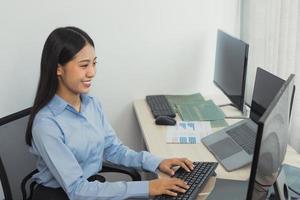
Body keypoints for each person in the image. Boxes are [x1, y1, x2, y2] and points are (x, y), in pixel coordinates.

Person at [25, 26, 194, 200]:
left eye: (94, 63)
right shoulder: (46, 124)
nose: (92, 72)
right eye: (84, 65)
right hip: (63, 195)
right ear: (58, 68)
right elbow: (77, 189)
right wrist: (147, 187)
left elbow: (113, 149)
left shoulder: (91, 104)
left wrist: (157, 162)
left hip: (90, 189)